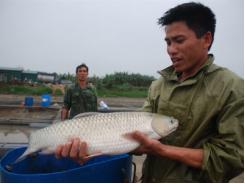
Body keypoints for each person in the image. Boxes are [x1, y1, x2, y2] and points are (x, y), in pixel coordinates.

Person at [55, 2, 243, 182]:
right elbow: (137, 139)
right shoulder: (159, 85)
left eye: (179, 41)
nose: (171, 50)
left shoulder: (231, 87)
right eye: (168, 42)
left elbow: (230, 160)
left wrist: (161, 150)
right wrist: (93, 149)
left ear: (206, 39)